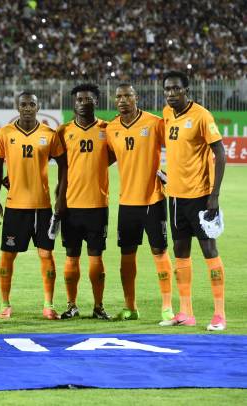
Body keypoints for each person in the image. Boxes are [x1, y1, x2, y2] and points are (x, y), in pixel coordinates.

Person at [159, 71, 227, 331]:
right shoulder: (167, 114)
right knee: (180, 252)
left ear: (186, 90)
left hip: (200, 197)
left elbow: (220, 153)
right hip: (175, 197)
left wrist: (214, 195)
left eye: (176, 89)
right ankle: (186, 312)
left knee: (209, 251)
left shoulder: (201, 115)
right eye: (167, 89)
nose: (171, 93)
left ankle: (219, 314)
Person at [0, 92, 67, 320]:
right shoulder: (5, 133)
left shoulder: (49, 134)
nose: (27, 108)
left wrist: (60, 195)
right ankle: (5, 305)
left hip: (42, 206)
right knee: (7, 256)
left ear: (38, 107)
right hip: (15, 206)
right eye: (23, 104)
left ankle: (48, 305)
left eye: (31, 104)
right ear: (17, 107)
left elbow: (64, 166)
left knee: (46, 254)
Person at [106, 83, 174, 322]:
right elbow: (105, 158)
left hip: (153, 200)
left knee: (159, 251)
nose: (123, 100)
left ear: (136, 98)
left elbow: (177, 146)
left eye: (128, 95)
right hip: (126, 202)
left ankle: (167, 307)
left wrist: (171, 174)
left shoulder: (154, 123)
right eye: (119, 96)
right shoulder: (111, 128)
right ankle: (130, 307)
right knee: (126, 255)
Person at [56, 83, 112, 320]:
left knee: (96, 257)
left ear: (96, 102)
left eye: (87, 99)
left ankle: (98, 306)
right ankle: (72, 305)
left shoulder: (107, 129)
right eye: (79, 99)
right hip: (71, 205)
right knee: (71, 256)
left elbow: (115, 155)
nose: (82, 103)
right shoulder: (64, 131)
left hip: (98, 205)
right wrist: (59, 200)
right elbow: (61, 169)